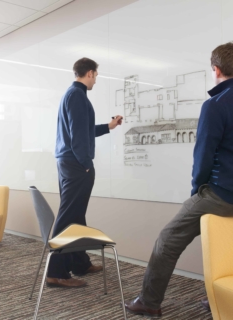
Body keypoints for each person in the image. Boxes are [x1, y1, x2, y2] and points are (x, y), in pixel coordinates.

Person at [124, 42, 233, 317]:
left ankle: (149, 301)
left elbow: (204, 154)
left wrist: (198, 189)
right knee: (224, 245)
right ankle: (219, 297)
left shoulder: (215, 104)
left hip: (220, 194)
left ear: (216, 69)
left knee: (168, 240)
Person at [46, 57, 123, 288]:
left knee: (76, 215)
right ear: (89, 73)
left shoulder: (73, 95)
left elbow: (83, 130)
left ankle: (80, 262)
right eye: (96, 76)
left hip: (69, 162)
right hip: (76, 164)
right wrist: (86, 163)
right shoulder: (77, 96)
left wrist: (108, 127)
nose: (96, 81)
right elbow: (79, 137)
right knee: (69, 216)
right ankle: (55, 272)